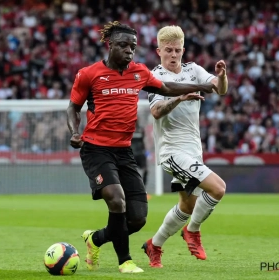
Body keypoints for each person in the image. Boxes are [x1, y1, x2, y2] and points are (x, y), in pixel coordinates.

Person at [66, 21, 218, 274]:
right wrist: (74, 132)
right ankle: (125, 261)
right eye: (123, 45)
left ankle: (95, 239)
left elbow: (167, 87)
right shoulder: (89, 74)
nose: (129, 50)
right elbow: (73, 107)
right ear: (110, 45)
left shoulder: (139, 72)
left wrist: (201, 86)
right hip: (96, 149)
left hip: (124, 151)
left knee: (136, 219)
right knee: (116, 200)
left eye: (133, 46)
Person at [141, 25, 228, 268]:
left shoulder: (194, 70)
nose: (173, 55)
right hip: (171, 151)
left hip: (192, 150)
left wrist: (221, 76)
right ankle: (193, 231)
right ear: (159, 51)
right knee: (218, 189)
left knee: (188, 204)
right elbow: (156, 111)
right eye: (168, 50)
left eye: (177, 50)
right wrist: (179, 98)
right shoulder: (155, 77)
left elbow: (220, 90)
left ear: (183, 50)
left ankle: (154, 245)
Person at [131, 121, 148, 186]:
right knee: (132, 172)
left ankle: (144, 188)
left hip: (141, 154)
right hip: (132, 154)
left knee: (145, 170)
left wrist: (144, 151)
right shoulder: (129, 129)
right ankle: (133, 188)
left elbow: (143, 141)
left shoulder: (141, 129)